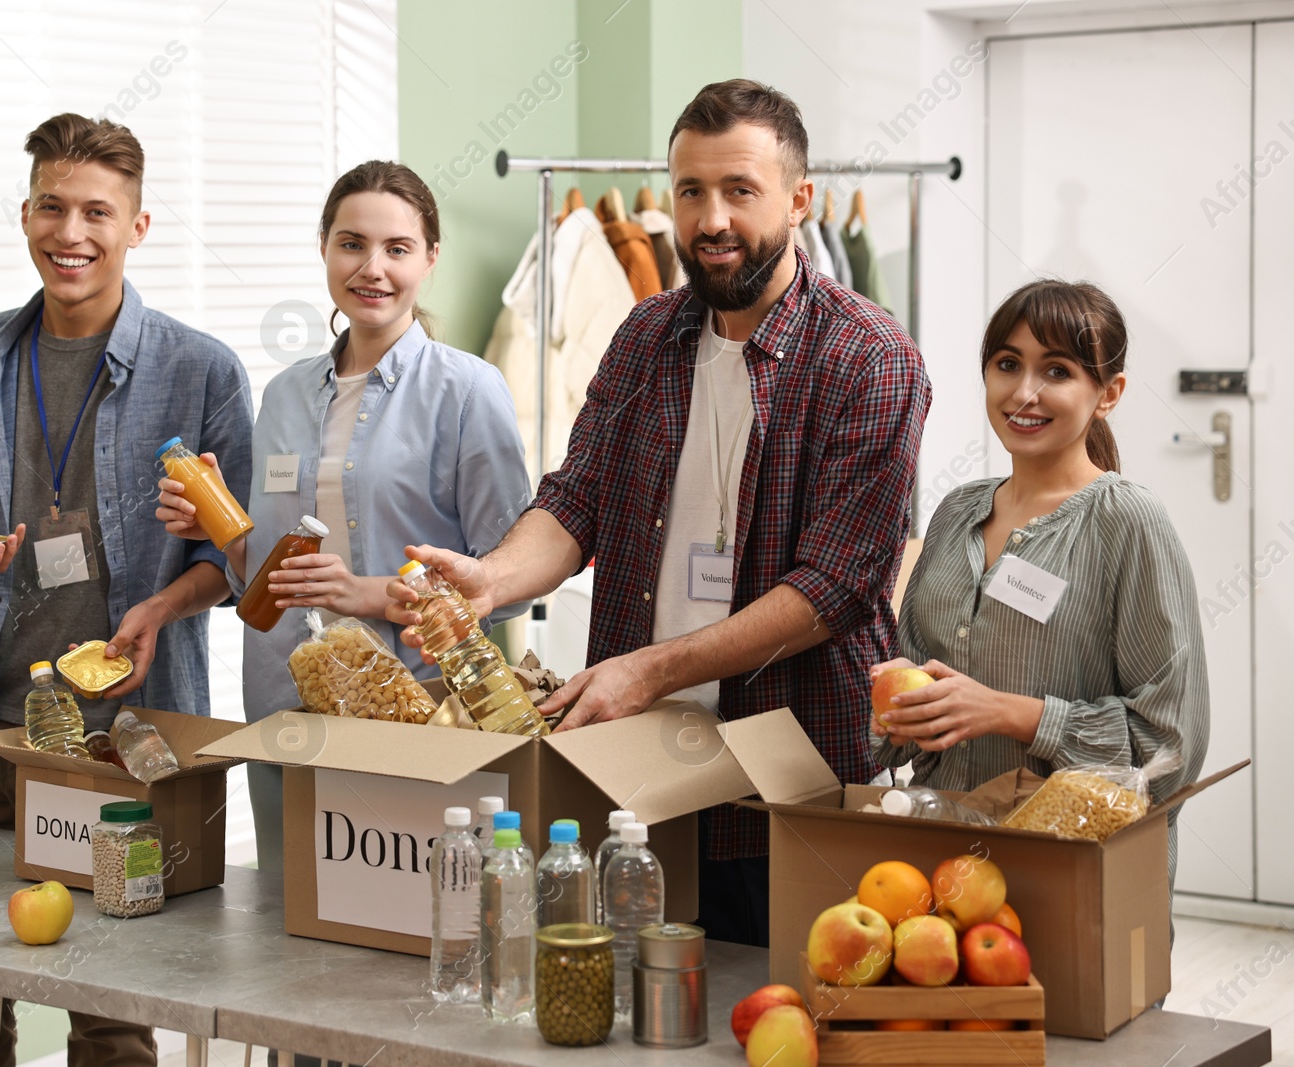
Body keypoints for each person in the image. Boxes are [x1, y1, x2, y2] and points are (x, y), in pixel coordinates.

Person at [384, 79, 932, 947]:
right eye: (690, 191)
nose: (710, 219)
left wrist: (646, 670)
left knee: (781, 1012)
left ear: (800, 201)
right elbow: (576, 499)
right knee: (644, 1011)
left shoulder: (870, 359)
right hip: (638, 768)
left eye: (739, 191)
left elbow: (832, 588)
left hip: (791, 770)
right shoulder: (647, 334)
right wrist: (491, 579)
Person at [0, 113, 253, 1067]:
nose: (72, 232)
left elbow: (241, 563)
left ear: (138, 227)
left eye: (98, 211)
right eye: (52, 207)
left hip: (119, 747)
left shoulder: (203, 369)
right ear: (24, 216)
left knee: (112, 1013)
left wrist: (169, 597)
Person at [156, 160, 530, 877]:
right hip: (283, 712)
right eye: (351, 244)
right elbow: (267, 579)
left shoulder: (467, 391)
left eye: (397, 248)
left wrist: (362, 593)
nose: (373, 268)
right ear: (325, 248)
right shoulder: (286, 394)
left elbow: (508, 581)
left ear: (429, 259)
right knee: (285, 929)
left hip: (411, 715)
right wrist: (216, 533)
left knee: (399, 939)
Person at [869, 279, 1208, 886]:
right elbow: (913, 679)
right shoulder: (956, 512)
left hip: (1071, 877)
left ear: (1108, 394)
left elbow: (1171, 747)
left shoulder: (1127, 521)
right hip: (943, 869)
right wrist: (899, 718)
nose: (1024, 392)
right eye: (1007, 364)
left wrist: (1011, 714)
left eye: (1057, 370)